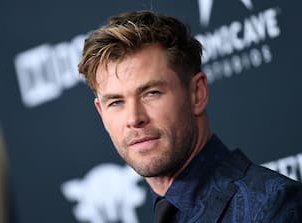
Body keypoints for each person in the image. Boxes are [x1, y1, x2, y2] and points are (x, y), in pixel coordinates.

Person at [78, 10, 302, 222]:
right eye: (116, 102)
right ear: (101, 113)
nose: (134, 118)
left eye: (151, 93)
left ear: (197, 93)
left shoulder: (271, 208)